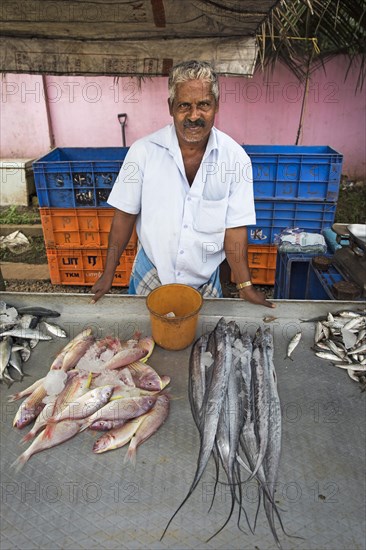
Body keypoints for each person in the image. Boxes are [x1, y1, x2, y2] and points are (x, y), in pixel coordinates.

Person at [91, 60, 275, 308]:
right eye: (184, 106)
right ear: (170, 107)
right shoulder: (142, 152)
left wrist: (245, 285)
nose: (194, 115)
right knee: (144, 341)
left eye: (204, 105)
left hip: (206, 281)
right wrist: (108, 272)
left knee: (204, 344)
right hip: (151, 273)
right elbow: (124, 216)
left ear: (216, 106)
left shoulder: (236, 158)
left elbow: (235, 229)